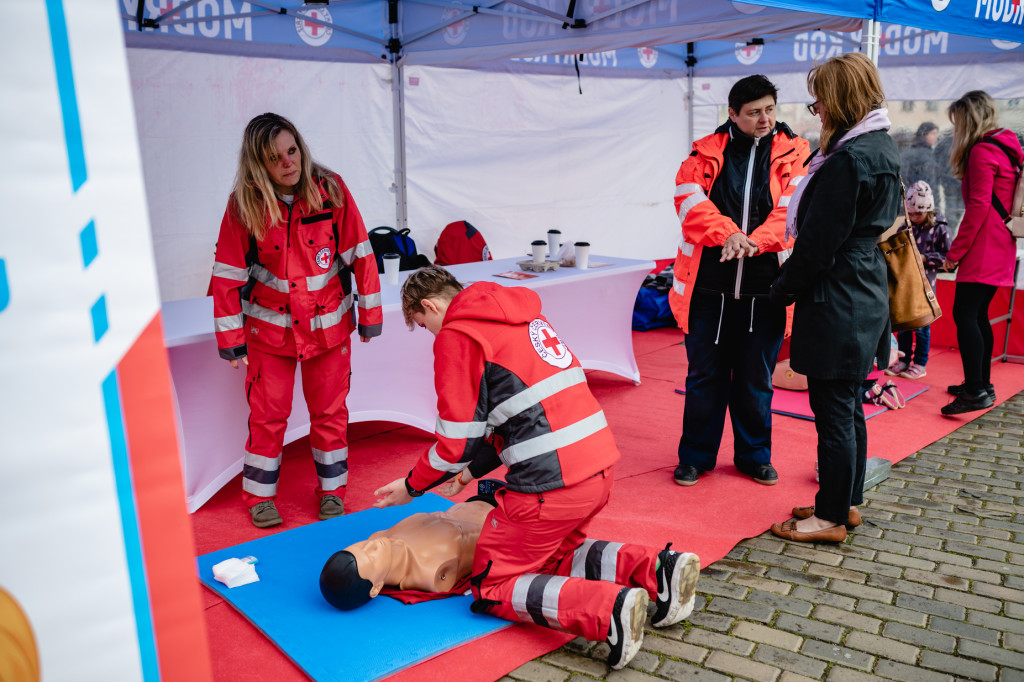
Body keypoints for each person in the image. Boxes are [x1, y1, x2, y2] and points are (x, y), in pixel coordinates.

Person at [372, 265, 701, 670]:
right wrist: (470, 475)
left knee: (493, 584)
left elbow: (455, 441)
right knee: (547, 557)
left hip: (550, 486)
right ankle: (658, 569)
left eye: (425, 325)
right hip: (598, 467)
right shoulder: (523, 317)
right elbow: (521, 413)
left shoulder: (458, 334)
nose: (433, 335)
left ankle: (608, 610)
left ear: (429, 305)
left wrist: (412, 486)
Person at [210, 113, 383, 528]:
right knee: (268, 418)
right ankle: (259, 497)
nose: (289, 163)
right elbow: (227, 277)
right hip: (269, 335)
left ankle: (332, 492)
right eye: (275, 158)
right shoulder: (244, 205)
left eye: (292, 151)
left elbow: (361, 251)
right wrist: (231, 342)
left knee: (330, 413)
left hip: (329, 328)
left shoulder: (332, 190)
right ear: (258, 164)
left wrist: (369, 315)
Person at [768, 53, 901, 543]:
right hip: (862, 289)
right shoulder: (879, 145)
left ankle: (828, 517)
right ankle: (843, 503)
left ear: (841, 97)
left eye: (820, 97)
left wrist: (779, 293)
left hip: (840, 295)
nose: (817, 108)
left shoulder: (849, 159)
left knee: (834, 413)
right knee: (847, 408)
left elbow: (818, 246)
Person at [669, 74, 810, 487]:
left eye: (769, 109)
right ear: (732, 114)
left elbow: (792, 212)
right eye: (753, 112)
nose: (764, 119)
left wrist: (753, 242)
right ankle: (695, 456)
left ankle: (753, 456)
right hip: (708, 290)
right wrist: (728, 235)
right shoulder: (703, 153)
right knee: (703, 378)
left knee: (756, 380)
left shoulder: (796, 153)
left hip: (765, 292)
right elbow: (689, 202)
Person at [940, 91, 1023, 415]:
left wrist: (955, 253)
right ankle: (980, 382)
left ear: (966, 120)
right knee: (977, 315)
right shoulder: (1006, 147)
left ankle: (976, 390)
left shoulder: (981, 151)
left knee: (965, 315)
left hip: (985, 244)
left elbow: (977, 205)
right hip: (1001, 241)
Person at [320, 488, 499, 610]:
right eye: (371, 556)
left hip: (474, 499)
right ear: (376, 588)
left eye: (361, 546)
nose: (372, 544)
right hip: (504, 517)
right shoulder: (430, 571)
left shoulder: (380, 537)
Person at [883, 181, 951, 380]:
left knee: (922, 327)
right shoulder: (905, 228)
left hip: (925, 286)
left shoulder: (940, 229)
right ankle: (903, 359)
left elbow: (948, 257)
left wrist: (925, 258)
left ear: (928, 210)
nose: (913, 218)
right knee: (904, 323)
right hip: (905, 285)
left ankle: (920, 363)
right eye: (909, 214)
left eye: (917, 214)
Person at [900, 121, 941, 191]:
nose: (936, 137)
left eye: (936, 134)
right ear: (924, 135)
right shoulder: (921, 154)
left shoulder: (926, 151)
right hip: (921, 195)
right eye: (933, 134)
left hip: (916, 195)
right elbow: (929, 180)